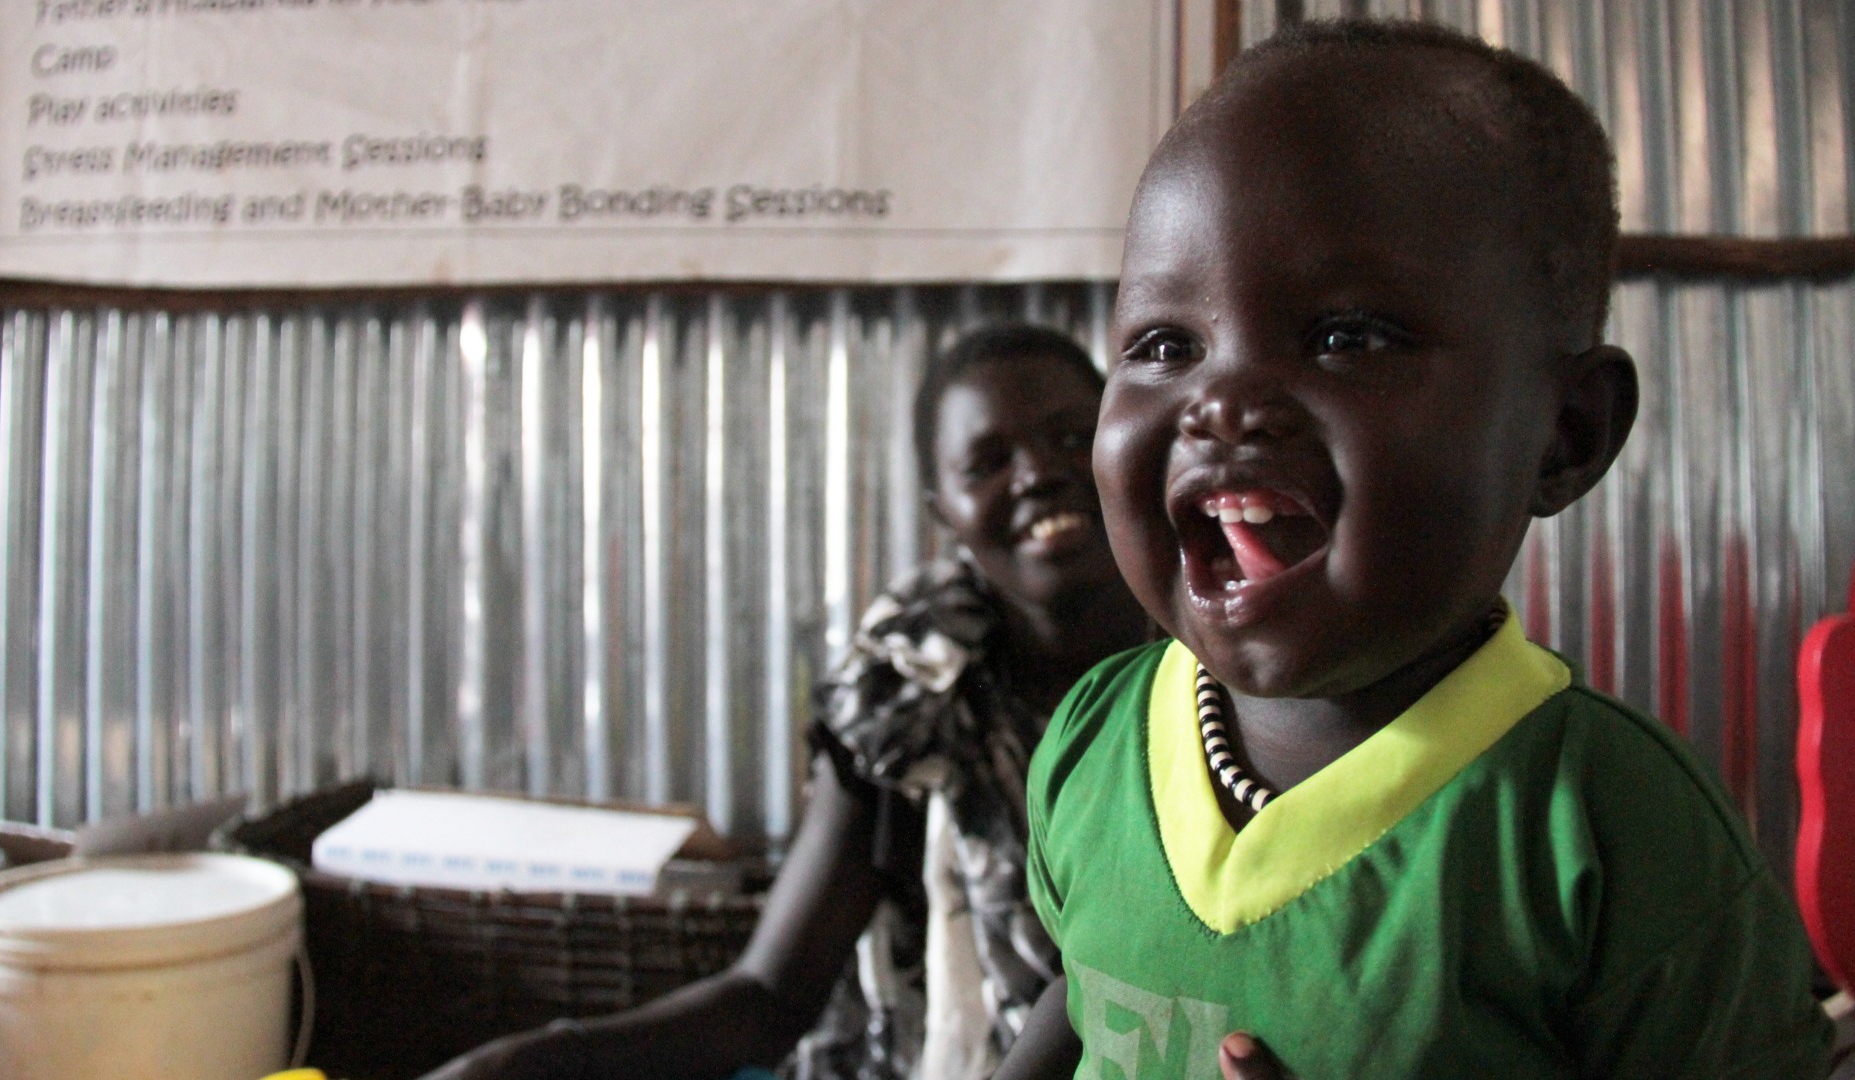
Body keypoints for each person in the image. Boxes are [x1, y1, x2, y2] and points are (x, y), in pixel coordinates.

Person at [993, 20, 1835, 1080]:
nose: (1220, 403)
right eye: (1166, 346)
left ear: (1563, 435)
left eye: (1347, 336)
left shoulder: (1615, 836)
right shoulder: (1094, 742)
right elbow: (1075, 1008)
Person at [418, 324, 1151, 1080]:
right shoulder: (902, 702)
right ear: (945, 512)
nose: (1038, 474)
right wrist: (517, 1066)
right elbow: (768, 996)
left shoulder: (1227, 667)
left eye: (1071, 436)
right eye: (988, 462)